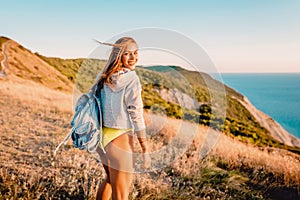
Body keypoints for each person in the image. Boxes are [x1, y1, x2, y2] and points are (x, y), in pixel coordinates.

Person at [94, 37, 151, 200]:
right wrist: (145, 148)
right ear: (119, 56)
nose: (133, 58)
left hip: (102, 139)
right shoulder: (131, 78)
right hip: (120, 139)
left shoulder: (104, 76)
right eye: (127, 54)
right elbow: (136, 114)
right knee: (121, 195)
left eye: (135, 52)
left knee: (110, 181)